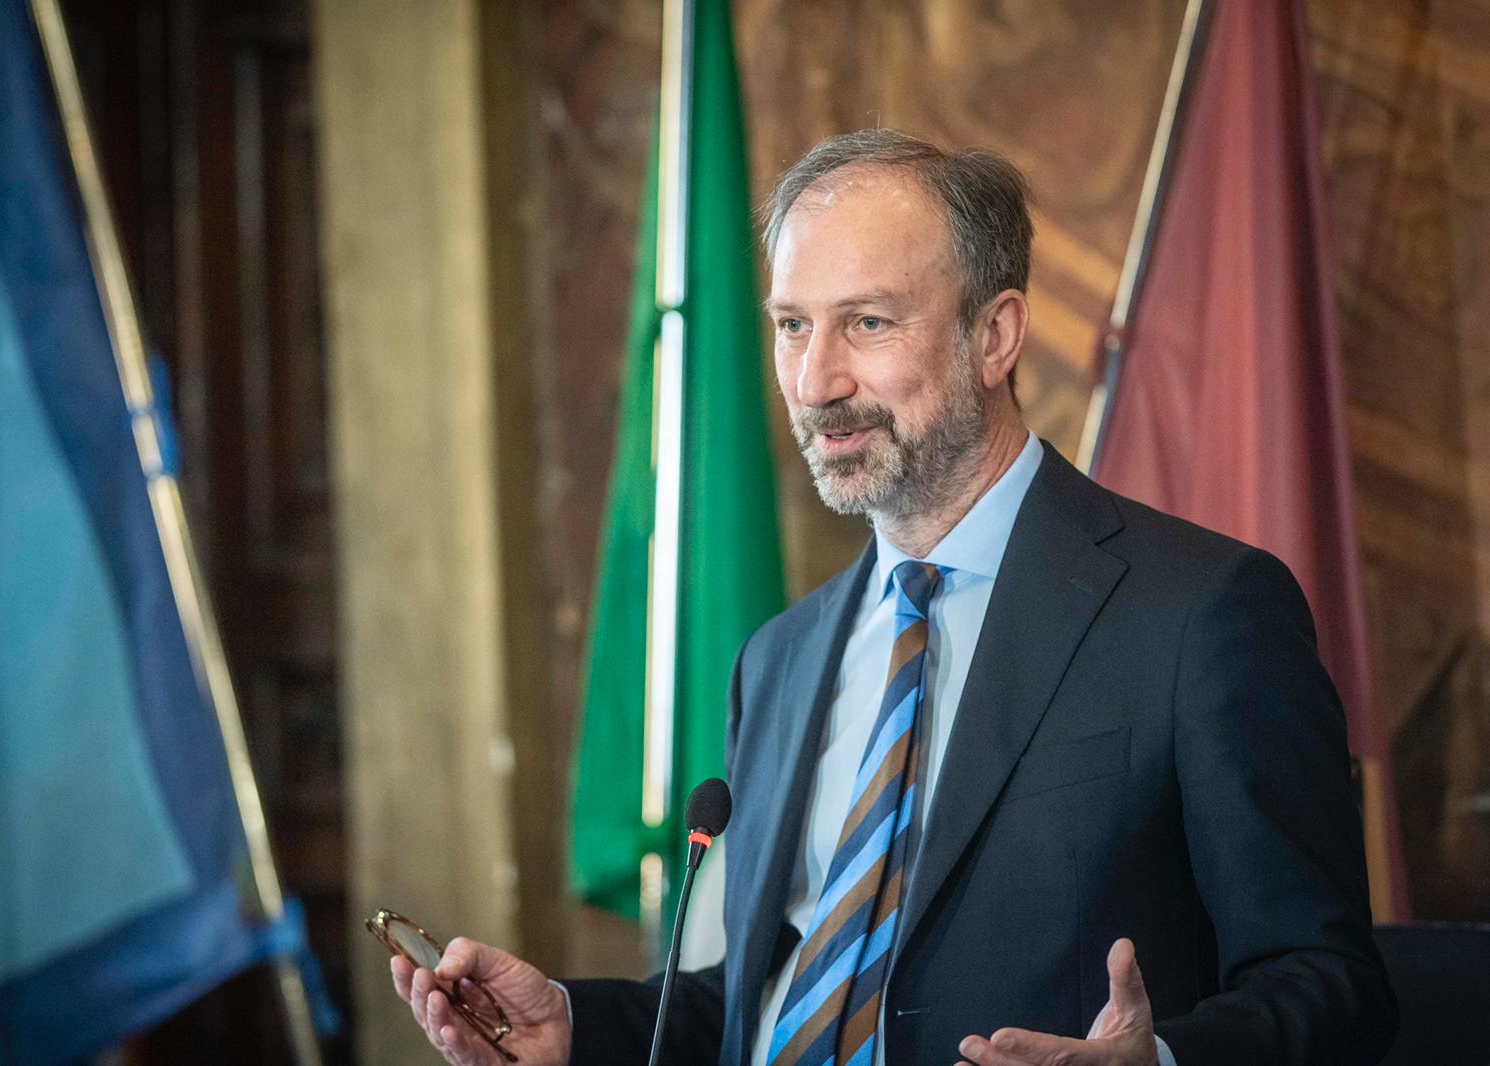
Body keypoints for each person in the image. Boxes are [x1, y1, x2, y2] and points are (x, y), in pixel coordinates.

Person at [389, 130, 1397, 1066]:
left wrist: (1163, 1060)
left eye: (866, 323)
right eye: (793, 326)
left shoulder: (1202, 614)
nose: (815, 381)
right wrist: (575, 1027)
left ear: (994, 334)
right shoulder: (778, 659)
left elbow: (1330, 984)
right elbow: (774, 997)